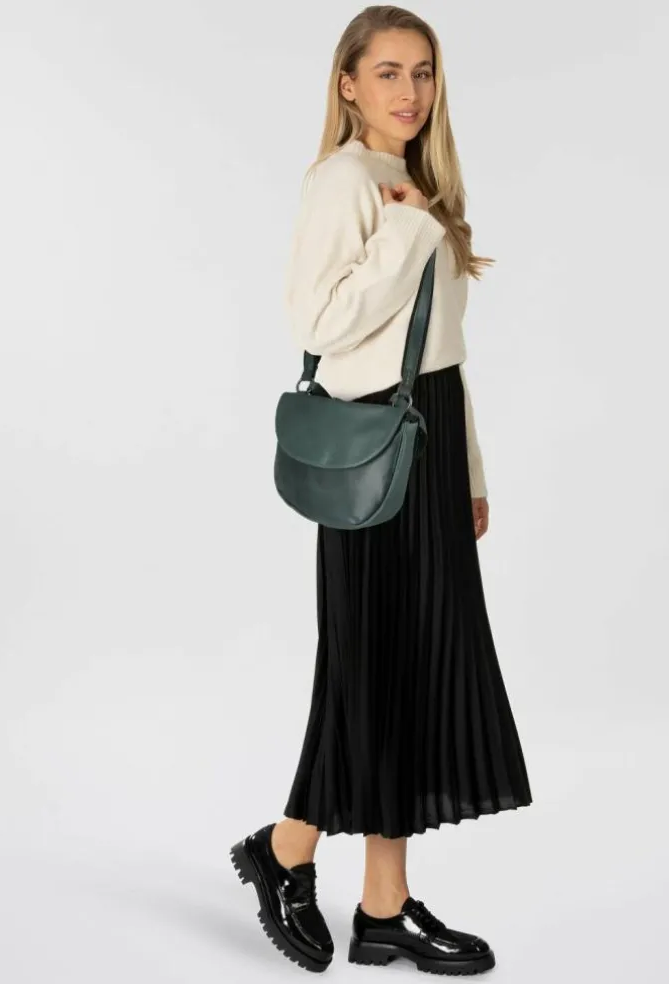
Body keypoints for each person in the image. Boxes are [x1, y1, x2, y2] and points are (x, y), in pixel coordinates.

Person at [230, 5, 532, 975]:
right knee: (372, 669)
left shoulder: (417, 184)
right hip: (373, 451)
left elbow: (440, 351)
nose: (410, 91)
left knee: (401, 671)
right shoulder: (344, 182)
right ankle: (290, 852)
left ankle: (378, 905)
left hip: (426, 441)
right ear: (348, 84)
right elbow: (317, 322)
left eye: (424, 72)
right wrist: (403, 232)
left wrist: (469, 472)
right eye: (390, 72)